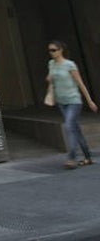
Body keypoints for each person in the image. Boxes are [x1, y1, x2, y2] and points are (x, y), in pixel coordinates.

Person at [45, 41, 97, 169]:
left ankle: (72, 158)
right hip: (61, 102)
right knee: (76, 130)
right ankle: (88, 156)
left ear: (61, 50)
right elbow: (50, 80)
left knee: (69, 126)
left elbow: (80, 83)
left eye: (54, 50)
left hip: (74, 100)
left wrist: (89, 100)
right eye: (50, 50)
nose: (51, 53)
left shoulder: (70, 65)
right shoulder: (51, 64)